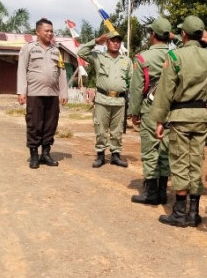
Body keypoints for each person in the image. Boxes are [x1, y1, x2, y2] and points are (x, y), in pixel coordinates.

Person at [149, 16, 207, 227]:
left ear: (184, 35)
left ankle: (179, 213)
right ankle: (193, 213)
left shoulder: (175, 56)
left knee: (180, 162)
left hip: (180, 116)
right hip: (201, 116)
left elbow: (165, 91)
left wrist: (160, 120)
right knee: (196, 162)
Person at [129, 18, 172, 205]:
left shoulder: (142, 58)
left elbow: (137, 89)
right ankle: (163, 192)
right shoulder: (176, 55)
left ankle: (151, 193)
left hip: (150, 109)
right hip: (171, 110)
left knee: (150, 150)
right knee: (165, 150)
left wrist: (134, 113)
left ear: (153, 35)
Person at [17, 18, 69, 169]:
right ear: (37, 32)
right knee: (34, 124)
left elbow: (62, 72)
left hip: (52, 94)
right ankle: (34, 155)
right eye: (46, 31)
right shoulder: (29, 48)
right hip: (34, 93)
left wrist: (63, 92)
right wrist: (21, 91)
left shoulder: (56, 50)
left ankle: (46, 154)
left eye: (51, 31)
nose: (50, 33)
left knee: (50, 125)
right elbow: (22, 69)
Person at [78, 30, 132, 168]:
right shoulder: (98, 57)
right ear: (107, 42)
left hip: (119, 101)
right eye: (113, 40)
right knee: (100, 129)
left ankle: (115, 155)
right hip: (102, 99)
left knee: (117, 130)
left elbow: (131, 81)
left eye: (118, 41)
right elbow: (81, 52)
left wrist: (131, 104)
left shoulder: (126, 60)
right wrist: (96, 41)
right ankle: (100, 155)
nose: (116, 43)